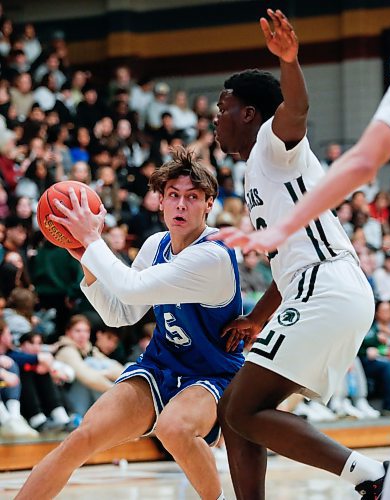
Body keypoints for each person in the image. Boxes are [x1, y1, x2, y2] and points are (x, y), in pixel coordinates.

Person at [210, 8, 388, 500]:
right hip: (320, 288)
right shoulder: (257, 173)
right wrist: (256, 317)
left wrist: (290, 60)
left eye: (221, 108)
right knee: (237, 412)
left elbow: (297, 110)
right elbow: (285, 267)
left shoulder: (272, 144)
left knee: (241, 409)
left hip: (325, 287)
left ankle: (373, 476)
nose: (215, 120)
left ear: (248, 113)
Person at [16, 148, 244, 500]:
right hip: (161, 365)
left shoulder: (213, 253)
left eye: (192, 197)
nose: (181, 205)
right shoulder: (156, 244)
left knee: (174, 428)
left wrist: (93, 239)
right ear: (161, 201)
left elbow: (130, 287)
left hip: (212, 372)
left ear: (209, 203)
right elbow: (119, 313)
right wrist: (84, 256)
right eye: (173, 196)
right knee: (82, 437)